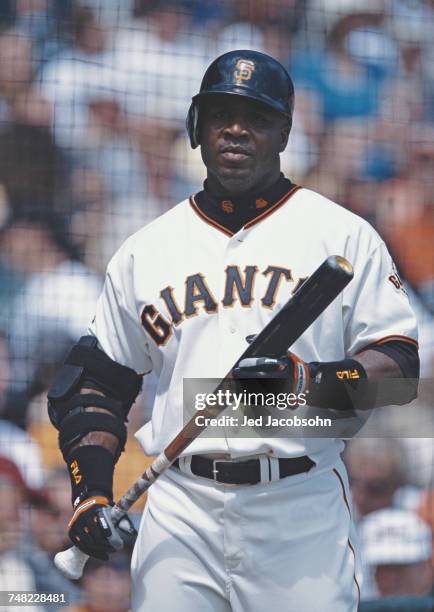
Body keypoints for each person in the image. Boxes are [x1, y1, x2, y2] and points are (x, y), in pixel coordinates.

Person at [48, 51, 420, 612]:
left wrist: (306, 383)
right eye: (221, 113)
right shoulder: (147, 249)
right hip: (181, 509)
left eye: (258, 117)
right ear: (197, 127)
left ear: (285, 133)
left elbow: (399, 372)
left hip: (299, 505)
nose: (237, 129)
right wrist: (90, 493)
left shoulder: (342, 235)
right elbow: (94, 383)